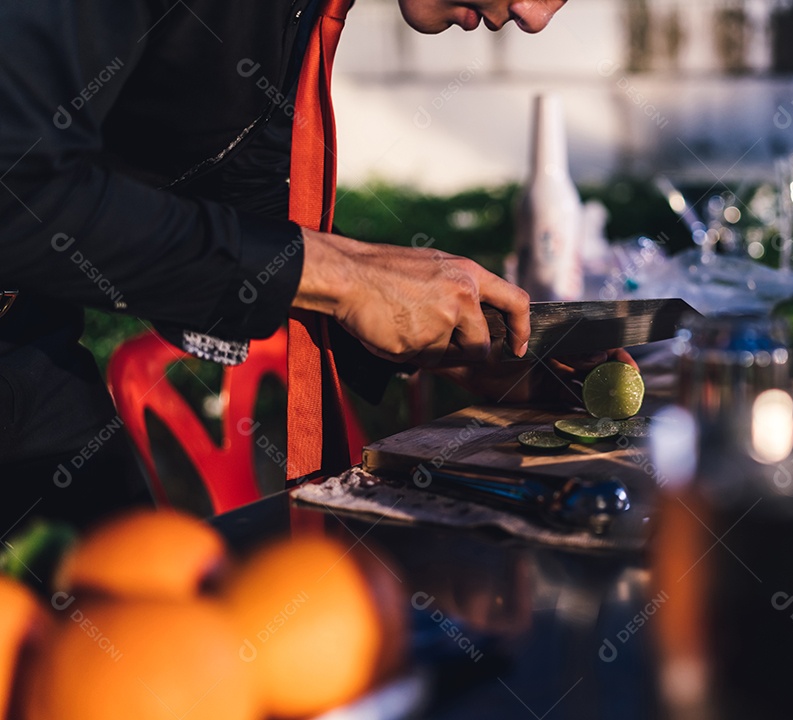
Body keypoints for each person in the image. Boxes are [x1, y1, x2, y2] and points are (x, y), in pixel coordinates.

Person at [0, 0, 577, 531]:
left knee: (123, 594)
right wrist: (345, 276)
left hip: (30, 351)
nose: (534, 16)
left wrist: (455, 343)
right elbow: (17, 185)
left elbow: (232, 193)